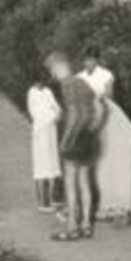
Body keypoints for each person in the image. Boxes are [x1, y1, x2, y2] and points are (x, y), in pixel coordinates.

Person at [44, 51, 100, 241]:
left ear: (59, 66)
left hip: (75, 137)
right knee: (85, 181)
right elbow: (100, 108)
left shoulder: (67, 85)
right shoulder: (82, 82)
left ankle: (72, 228)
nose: (52, 74)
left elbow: (75, 114)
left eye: (52, 69)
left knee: (70, 183)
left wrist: (66, 139)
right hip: (88, 137)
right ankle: (86, 225)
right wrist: (93, 129)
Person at [80, 46, 131, 220]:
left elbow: (109, 95)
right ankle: (95, 203)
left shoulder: (106, 74)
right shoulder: (79, 77)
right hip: (89, 118)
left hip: (107, 117)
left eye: (93, 59)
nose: (89, 62)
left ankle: (115, 202)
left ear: (97, 60)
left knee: (111, 160)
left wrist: (97, 99)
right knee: (94, 163)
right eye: (87, 59)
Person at [26, 78, 62, 212]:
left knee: (53, 164)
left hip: (51, 132)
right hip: (40, 133)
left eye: (42, 80)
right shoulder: (32, 93)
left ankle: (54, 200)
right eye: (38, 80)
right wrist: (52, 115)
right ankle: (42, 203)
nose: (40, 83)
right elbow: (36, 115)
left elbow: (58, 109)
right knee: (41, 165)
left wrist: (55, 113)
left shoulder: (48, 91)